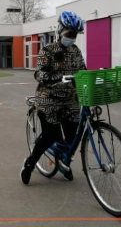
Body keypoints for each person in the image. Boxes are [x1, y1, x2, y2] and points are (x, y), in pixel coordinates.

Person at [20, 11, 86, 185]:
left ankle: (63, 160)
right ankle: (30, 163)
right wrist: (55, 77)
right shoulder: (47, 50)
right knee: (51, 135)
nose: (71, 38)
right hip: (48, 97)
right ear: (60, 30)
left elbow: (83, 70)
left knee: (73, 137)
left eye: (75, 35)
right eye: (69, 34)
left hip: (70, 99)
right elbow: (39, 73)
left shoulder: (76, 50)